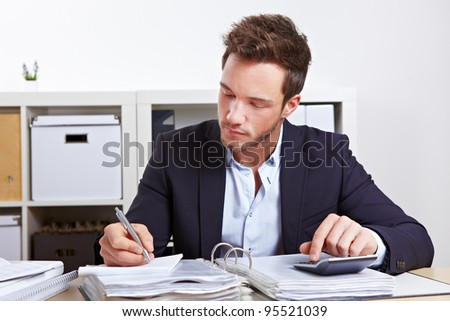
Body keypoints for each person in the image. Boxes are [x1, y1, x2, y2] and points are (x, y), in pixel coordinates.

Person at [97, 14, 434, 274]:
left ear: (290, 105)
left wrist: (371, 242)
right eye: (227, 93)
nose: (233, 115)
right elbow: (133, 246)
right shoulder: (174, 152)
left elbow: (417, 240)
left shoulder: (330, 156)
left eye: (256, 103)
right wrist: (119, 247)